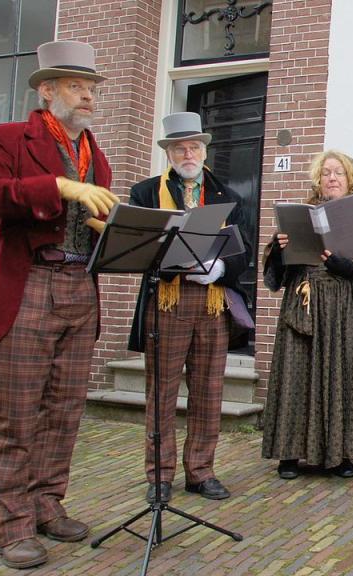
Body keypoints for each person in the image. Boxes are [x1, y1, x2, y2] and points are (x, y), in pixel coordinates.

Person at [0, 41, 118, 569]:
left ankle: (48, 503)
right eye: (77, 86)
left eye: (92, 88)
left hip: (80, 286)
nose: (88, 96)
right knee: (17, 414)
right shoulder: (7, 138)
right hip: (27, 282)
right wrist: (59, 187)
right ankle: (12, 524)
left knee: (65, 410)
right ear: (47, 90)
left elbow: (91, 224)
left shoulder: (97, 154)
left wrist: (114, 230)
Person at [128, 112, 249, 504]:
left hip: (212, 304)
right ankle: (159, 475)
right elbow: (138, 249)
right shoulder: (145, 193)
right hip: (167, 301)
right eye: (179, 148)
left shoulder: (228, 194)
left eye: (194, 146)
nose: (188, 154)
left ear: (204, 150)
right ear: (168, 154)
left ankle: (201, 471)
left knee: (209, 391)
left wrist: (220, 269)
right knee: (161, 392)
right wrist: (176, 265)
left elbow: (243, 250)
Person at [261, 151, 353, 480]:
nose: (332, 178)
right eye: (326, 173)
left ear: (351, 180)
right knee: (295, 375)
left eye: (339, 173)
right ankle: (289, 453)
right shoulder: (300, 215)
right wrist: (278, 250)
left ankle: (340, 454)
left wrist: (349, 267)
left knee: (342, 375)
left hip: (346, 307)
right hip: (303, 302)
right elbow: (277, 273)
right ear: (318, 180)